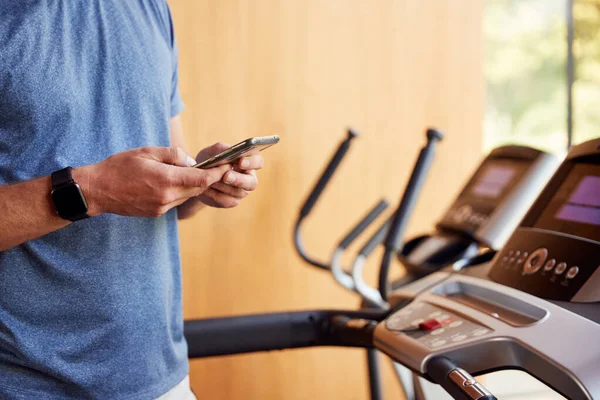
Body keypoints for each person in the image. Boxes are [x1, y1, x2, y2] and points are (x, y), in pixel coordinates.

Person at [0, 1, 263, 398]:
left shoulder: (148, 7)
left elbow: (167, 172)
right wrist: (91, 191)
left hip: (161, 379)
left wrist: (201, 180)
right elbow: (113, 188)